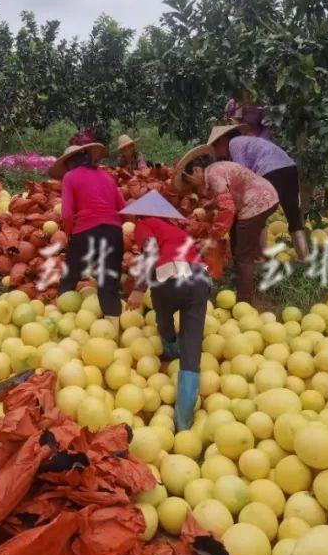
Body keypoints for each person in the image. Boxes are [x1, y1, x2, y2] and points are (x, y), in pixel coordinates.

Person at [123, 190, 210, 431]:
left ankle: (170, 350)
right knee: (192, 347)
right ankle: (184, 424)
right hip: (201, 279)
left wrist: (139, 288)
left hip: (170, 277)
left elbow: (150, 252)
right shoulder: (178, 231)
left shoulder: (144, 225)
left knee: (163, 314)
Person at [173, 145, 279, 306]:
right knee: (237, 239)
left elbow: (227, 209)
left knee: (244, 253)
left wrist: (212, 237)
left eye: (189, 180)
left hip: (257, 202)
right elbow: (229, 193)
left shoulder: (214, 174)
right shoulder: (216, 169)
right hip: (265, 196)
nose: (192, 185)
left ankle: (244, 301)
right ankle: (243, 282)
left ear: (196, 170)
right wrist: (211, 205)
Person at [50, 140, 125, 325]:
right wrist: (113, 229)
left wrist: (70, 235)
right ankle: (112, 334)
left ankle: (59, 323)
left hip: (86, 232)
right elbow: (123, 207)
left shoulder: (70, 177)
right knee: (109, 285)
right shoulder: (107, 177)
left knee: (70, 276)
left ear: (69, 163)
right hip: (114, 232)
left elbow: (67, 213)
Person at [207, 124, 309, 260]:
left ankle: (259, 258)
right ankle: (305, 257)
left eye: (215, 148)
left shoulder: (234, 143)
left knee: (258, 214)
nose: (217, 154)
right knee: (293, 216)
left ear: (221, 141)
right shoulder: (249, 142)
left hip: (270, 170)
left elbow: (242, 173)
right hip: (289, 168)